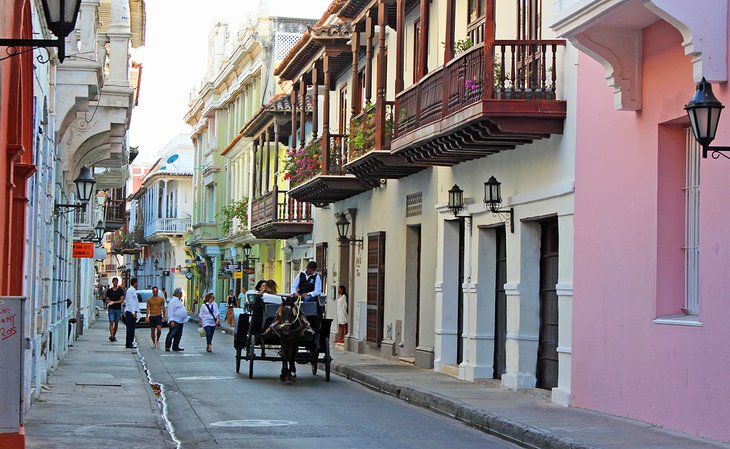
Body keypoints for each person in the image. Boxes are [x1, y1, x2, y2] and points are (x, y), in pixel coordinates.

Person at [165, 287, 188, 351]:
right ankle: (167, 346)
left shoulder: (179, 300)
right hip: (175, 320)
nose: (182, 294)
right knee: (172, 334)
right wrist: (172, 320)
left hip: (180, 321)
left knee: (178, 335)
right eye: (181, 293)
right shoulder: (173, 301)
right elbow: (170, 311)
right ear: (179, 293)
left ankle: (175, 346)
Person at [105, 277, 124, 342]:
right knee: (111, 322)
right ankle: (112, 336)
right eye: (114, 281)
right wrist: (108, 302)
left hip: (118, 308)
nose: (115, 283)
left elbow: (121, 300)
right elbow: (107, 299)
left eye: (116, 281)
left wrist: (114, 302)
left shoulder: (120, 290)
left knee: (116, 323)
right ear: (112, 282)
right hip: (111, 308)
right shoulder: (109, 290)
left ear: (118, 282)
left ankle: (114, 335)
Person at [124, 278, 140, 349]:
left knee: (132, 328)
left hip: (132, 311)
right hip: (130, 312)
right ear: (135, 283)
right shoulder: (130, 291)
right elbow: (130, 302)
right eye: (137, 283)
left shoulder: (133, 290)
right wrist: (133, 312)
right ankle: (129, 343)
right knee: (130, 328)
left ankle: (130, 342)